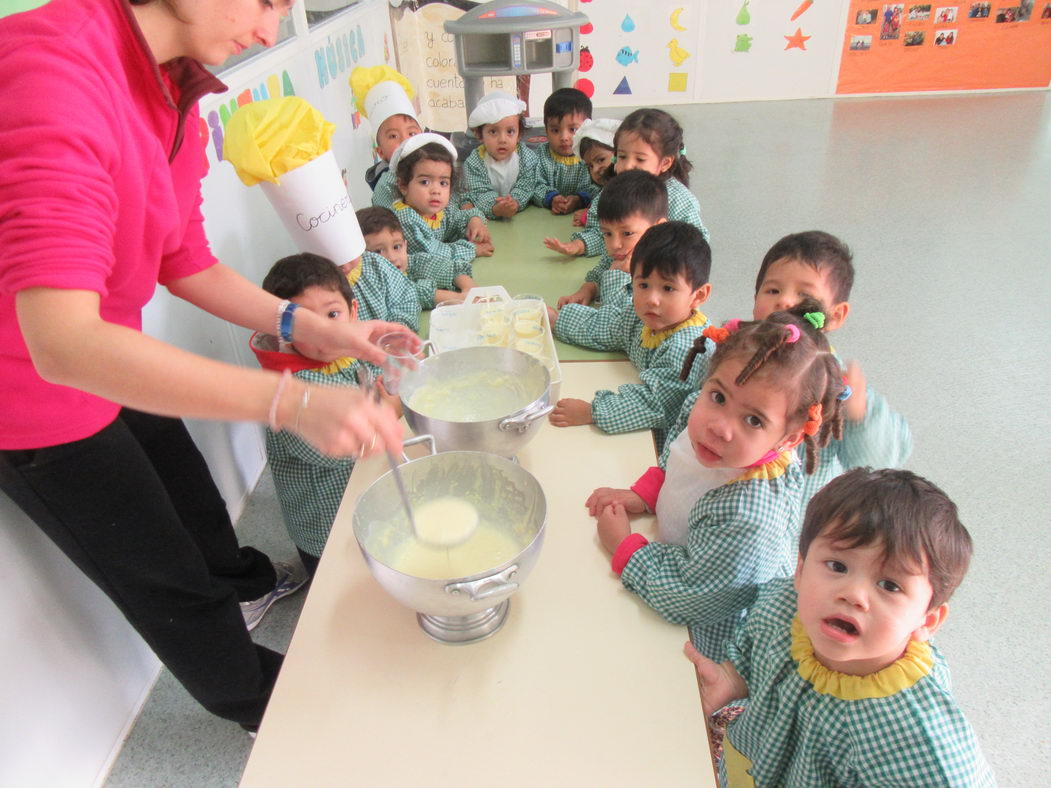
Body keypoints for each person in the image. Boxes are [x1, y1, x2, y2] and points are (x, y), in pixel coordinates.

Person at [0, 0, 409, 733]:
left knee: (190, 494)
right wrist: (288, 401)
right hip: (32, 394)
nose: (269, 28)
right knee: (166, 577)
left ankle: (248, 584)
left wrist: (305, 326)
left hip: (112, 349)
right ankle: (264, 704)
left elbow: (182, 256)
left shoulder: (172, 85)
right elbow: (61, 344)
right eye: (265, 2)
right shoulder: (52, 74)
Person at [685, 468, 996, 786]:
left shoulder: (916, 733)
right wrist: (731, 679)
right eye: (837, 566)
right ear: (801, 569)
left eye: (889, 585)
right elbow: (752, 655)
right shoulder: (783, 609)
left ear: (927, 620)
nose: (854, 595)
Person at [585, 301, 846, 662]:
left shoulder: (748, 516)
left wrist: (625, 549)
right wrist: (645, 494)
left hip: (709, 636)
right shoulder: (704, 418)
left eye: (753, 420)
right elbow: (677, 461)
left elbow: (689, 595)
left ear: (788, 439)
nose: (720, 426)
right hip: (678, 567)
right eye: (718, 396)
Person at [252, 254, 400, 579]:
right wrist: (390, 408)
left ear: (353, 312)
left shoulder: (346, 352)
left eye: (332, 314)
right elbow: (342, 449)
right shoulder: (294, 389)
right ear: (284, 333)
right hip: (324, 525)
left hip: (362, 493)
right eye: (307, 323)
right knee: (337, 581)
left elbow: (374, 377)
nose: (324, 332)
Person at [751, 231, 912, 511]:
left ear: (835, 315)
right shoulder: (740, 353)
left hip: (791, 517)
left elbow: (878, 465)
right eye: (773, 290)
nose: (785, 302)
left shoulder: (835, 384)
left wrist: (861, 416)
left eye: (805, 295)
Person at [548, 199, 713, 452]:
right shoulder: (647, 317)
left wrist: (593, 411)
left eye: (668, 288)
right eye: (643, 285)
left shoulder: (688, 349)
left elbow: (653, 405)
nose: (651, 299)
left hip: (675, 444)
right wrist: (559, 321)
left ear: (698, 296)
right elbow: (609, 326)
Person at [551, 108, 711, 306]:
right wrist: (589, 287)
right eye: (623, 157)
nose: (627, 166)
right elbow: (609, 252)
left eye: (640, 159)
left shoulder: (681, 201)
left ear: (665, 162)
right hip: (623, 285)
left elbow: (697, 251)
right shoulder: (621, 190)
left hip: (659, 294)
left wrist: (653, 258)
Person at [391, 134, 494, 267]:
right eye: (425, 182)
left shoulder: (438, 212)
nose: (436, 190)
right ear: (403, 186)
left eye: (443, 183)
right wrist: (473, 249)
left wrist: (475, 221)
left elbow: (459, 217)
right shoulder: (405, 219)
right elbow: (433, 253)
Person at [357, 206, 472, 309]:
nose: (391, 257)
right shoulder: (371, 285)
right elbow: (411, 292)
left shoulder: (409, 263)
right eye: (378, 251)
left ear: (405, 246)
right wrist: (459, 298)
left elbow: (443, 267)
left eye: (397, 247)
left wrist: (470, 289)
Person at [349, 65, 422, 206]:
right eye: (393, 136)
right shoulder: (385, 187)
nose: (405, 140)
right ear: (381, 152)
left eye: (412, 133)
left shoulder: (436, 162)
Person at [460, 91, 538, 219]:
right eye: (493, 132)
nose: (502, 139)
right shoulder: (474, 162)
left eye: (510, 131)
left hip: (523, 216)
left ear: (519, 134)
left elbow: (527, 184)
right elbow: (480, 191)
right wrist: (496, 208)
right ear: (480, 135)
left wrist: (514, 202)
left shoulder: (527, 157)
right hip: (488, 219)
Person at [531, 87, 599, 215]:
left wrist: (579, 200)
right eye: (555, 130)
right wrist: (552, 199)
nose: (564, 138)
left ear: (587, 128)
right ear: (546, 130)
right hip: (544, 217)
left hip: (581, 217)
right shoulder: (541, 155)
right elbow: (534, 184)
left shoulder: (592, 156)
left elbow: (600, 186)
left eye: (573, 130)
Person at [570, 118, 619, 226]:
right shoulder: (606, 188)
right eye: (590, 166)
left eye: (601, 160)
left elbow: (620, 216)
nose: (595, 169)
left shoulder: (626, 188)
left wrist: (591, 216)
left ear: (618, 153)